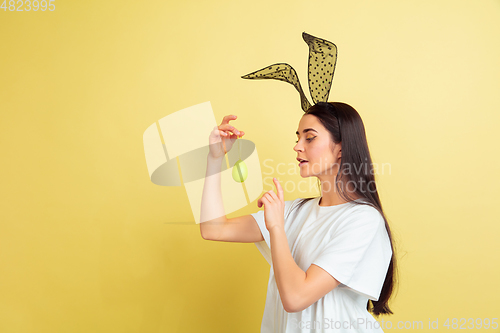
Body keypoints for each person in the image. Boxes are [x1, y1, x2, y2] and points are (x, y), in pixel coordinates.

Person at [199, 101, 398, 332]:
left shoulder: (364, 220)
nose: (297, 147)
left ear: (341, 148)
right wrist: (214, 159)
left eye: (309, 138)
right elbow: (213, 228)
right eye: (297, 138)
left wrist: (276, 228)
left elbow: (295, 298)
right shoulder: (295, 211)